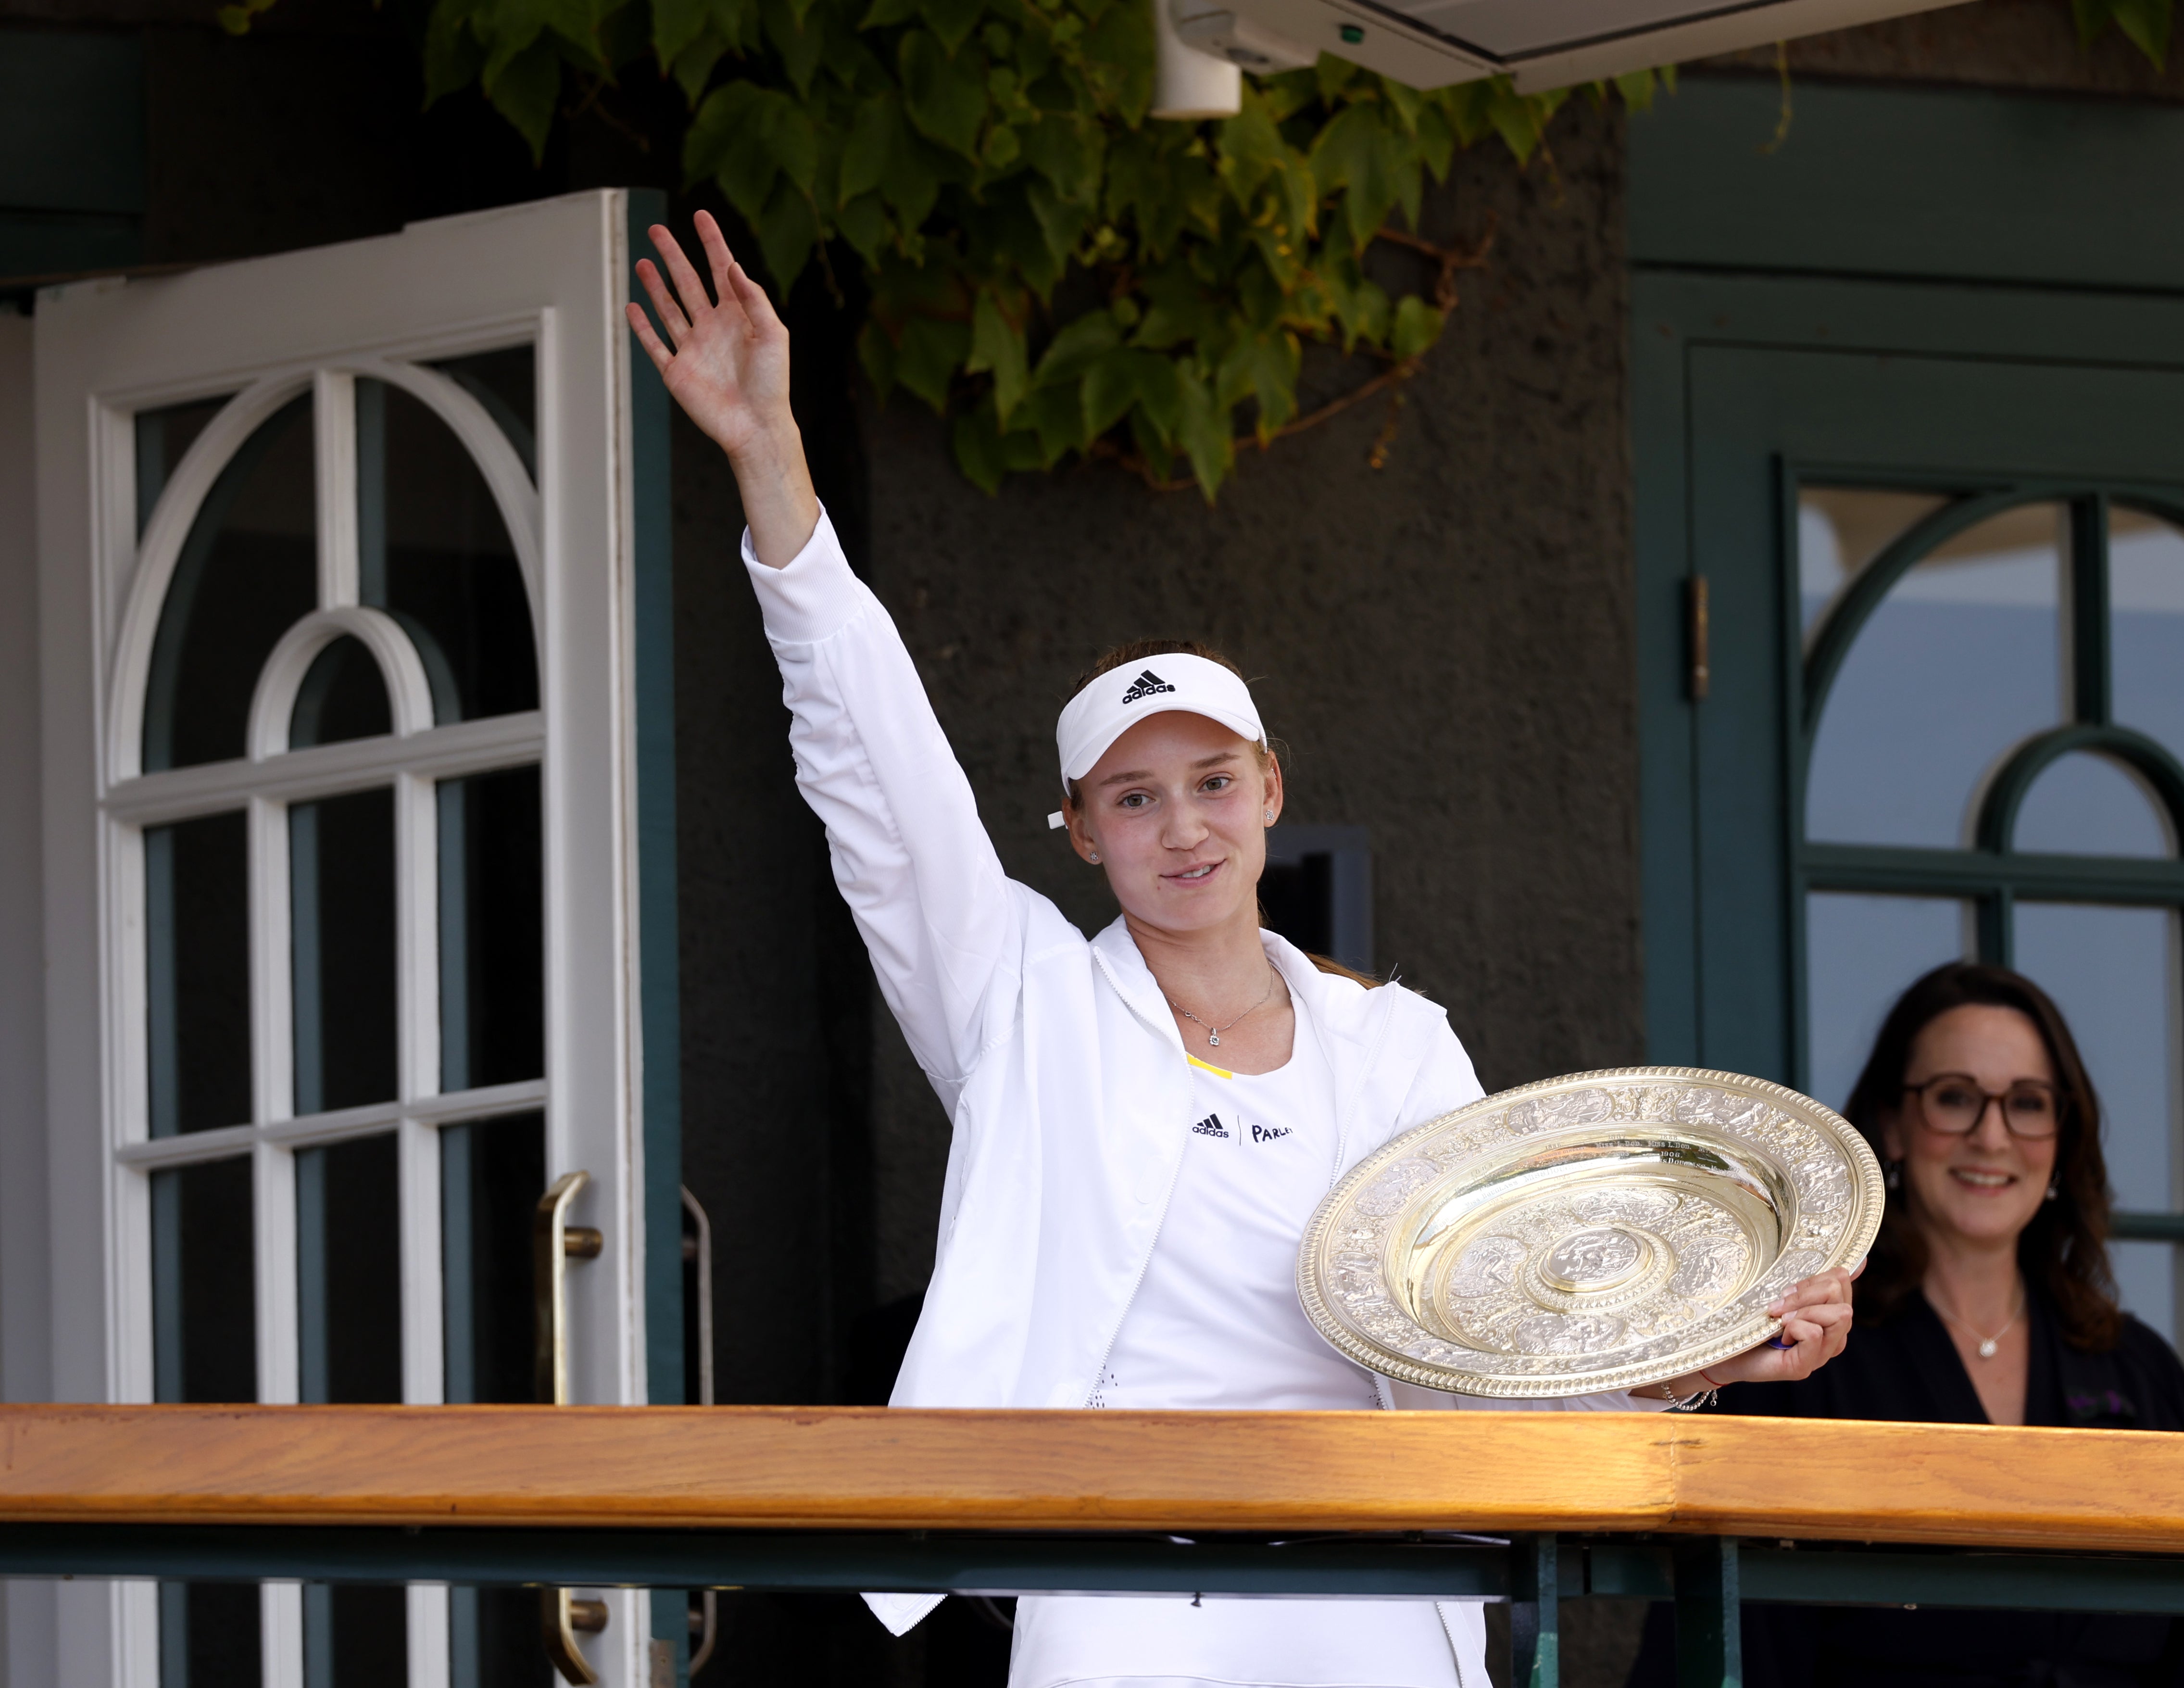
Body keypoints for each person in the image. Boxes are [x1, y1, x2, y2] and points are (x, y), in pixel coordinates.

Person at [624, 211, 1859, 1688]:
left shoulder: (1397, 1043)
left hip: (1380, 1587)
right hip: (1121, 1592)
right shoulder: (1024, 1003)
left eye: (1212, 782)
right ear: (1080, 832)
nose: (1182, 827)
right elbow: (876, 782)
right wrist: (773, 460)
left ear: (1271, 788)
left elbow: (1492, 1345)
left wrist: (1714, 1342)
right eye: (1133, 798)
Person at [1631, 961, 2184, 1688]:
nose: (1991, 1136)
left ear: (2064, 1135)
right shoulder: (1809, 1360)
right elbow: (1731, 1641)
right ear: (1894, 1126)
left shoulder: (2141, 1372)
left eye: (2028, 1103)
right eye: (1955, 1097)